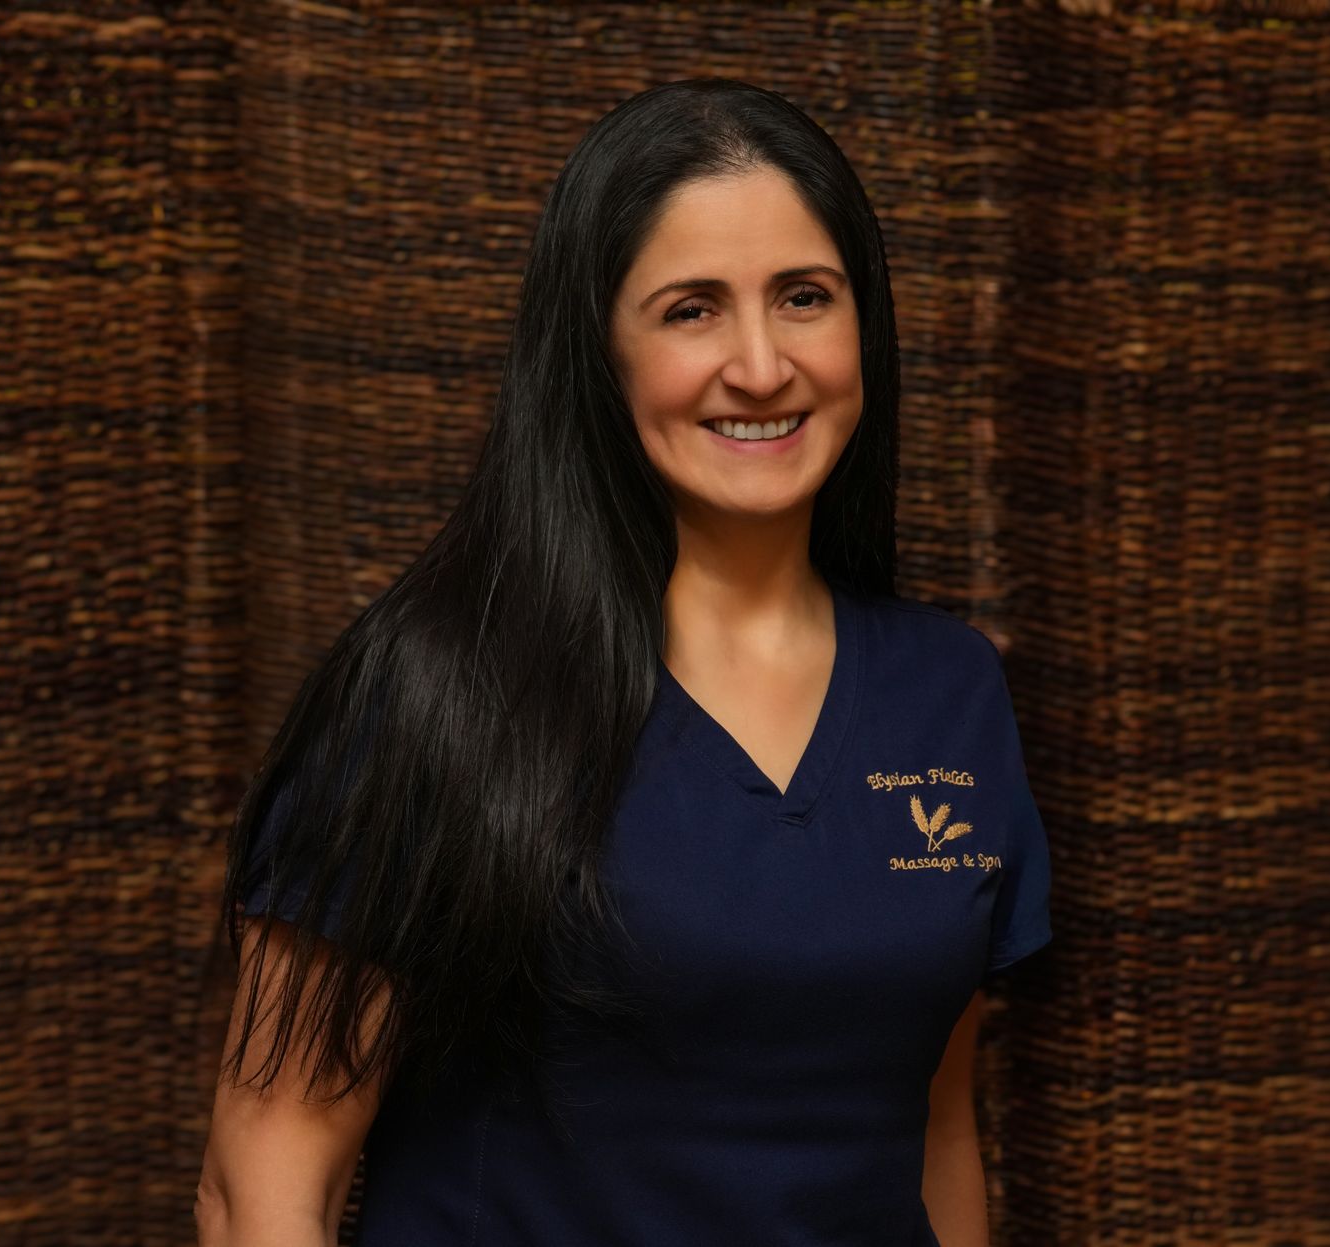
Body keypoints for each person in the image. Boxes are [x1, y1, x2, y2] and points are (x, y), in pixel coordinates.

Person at [194, 76, 1052, 1247]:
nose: (761, 365)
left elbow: (938, 1132)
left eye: (805, 296)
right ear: (596, 350)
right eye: (691, 309)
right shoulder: (435, 689)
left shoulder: (948, 693)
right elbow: (263, 1187)